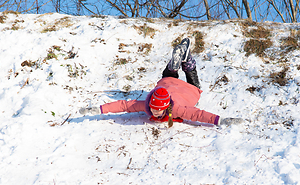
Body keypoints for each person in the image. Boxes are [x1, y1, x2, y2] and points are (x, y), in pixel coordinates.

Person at [80, 38, 243, 127]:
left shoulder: (177, 109)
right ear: (150, 102)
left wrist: (220, 120)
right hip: (169, 85)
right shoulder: (146, 105)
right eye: (153, 108)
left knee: (191, 78)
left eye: (158, 110)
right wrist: (98, 109)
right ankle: (180, 61)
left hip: (185, 90)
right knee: (169, 76)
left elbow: (197, 114)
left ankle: (183, 62)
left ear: (166, 107)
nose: (155, 112)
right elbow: (122, 105)